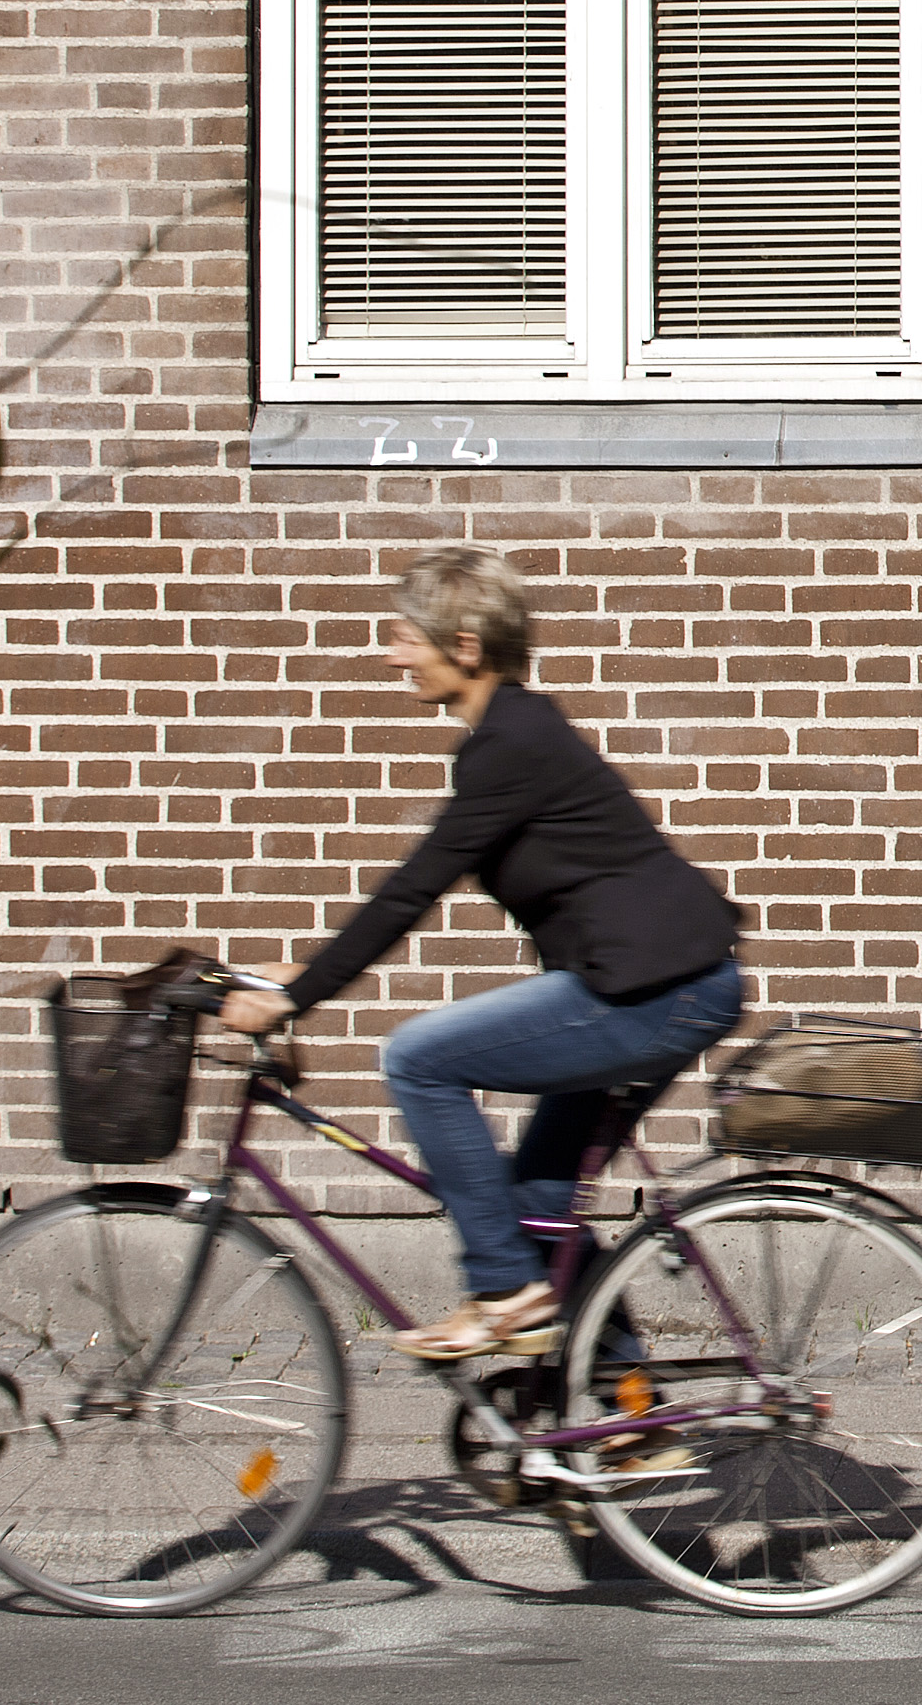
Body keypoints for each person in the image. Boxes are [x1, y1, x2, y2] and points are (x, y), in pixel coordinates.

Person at [218, 549, 746, 1363]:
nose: (391, 654)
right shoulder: (512, 735)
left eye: (405, 636)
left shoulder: (512, 745)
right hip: (655, 985)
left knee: (419, 1056)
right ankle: (624, 1403)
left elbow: (413, 886)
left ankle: (502, 1290)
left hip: (657, 992)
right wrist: (305, 974)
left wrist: (302, 994)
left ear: (464, 646)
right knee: (535, 1207)